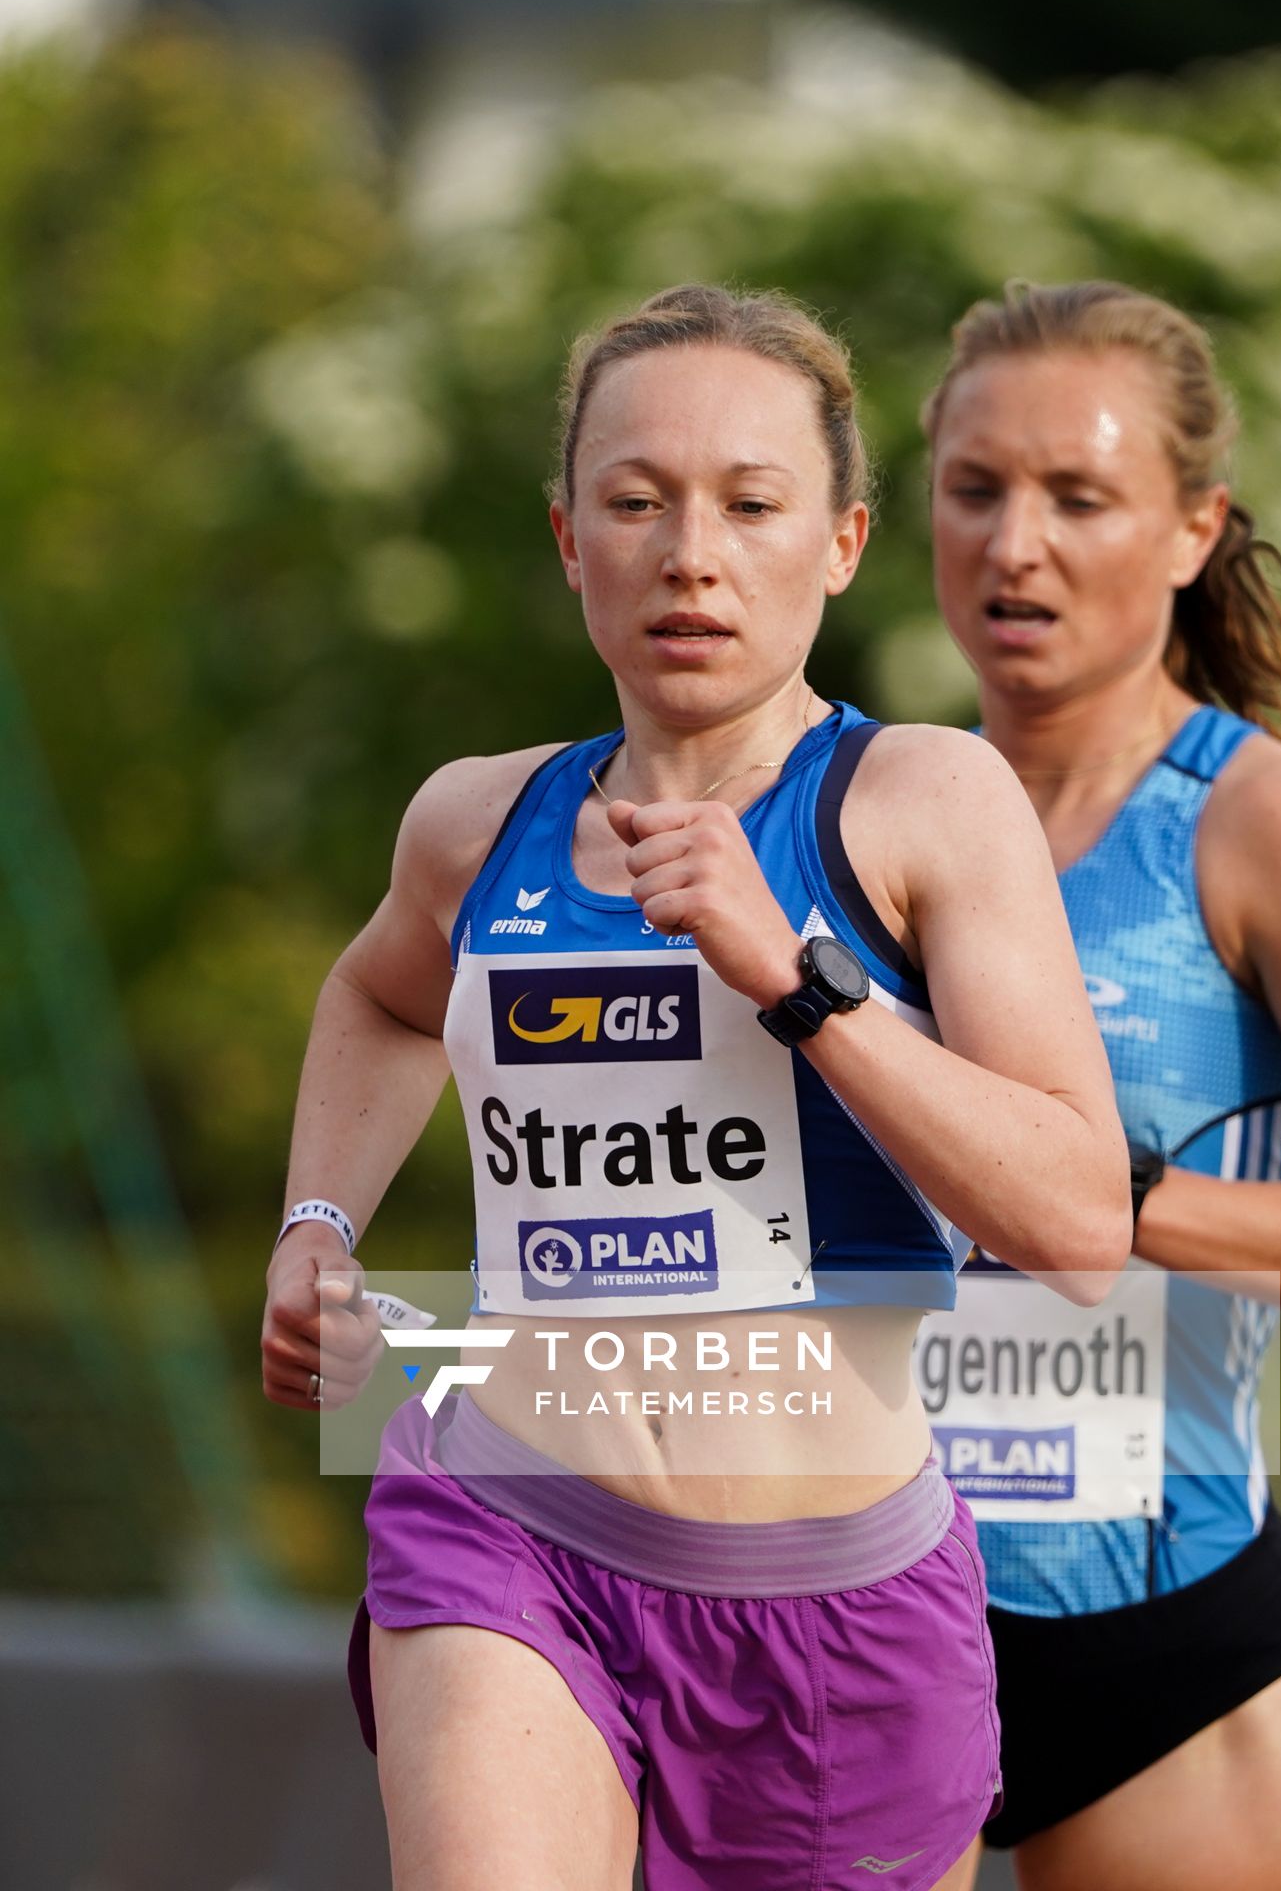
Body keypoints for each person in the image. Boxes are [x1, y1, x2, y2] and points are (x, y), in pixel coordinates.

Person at [258, 283, 1130, 1891]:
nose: (691, 554)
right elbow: (380, 998)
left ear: (847, 541)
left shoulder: (926, 802)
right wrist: (318, 1223)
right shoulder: (475, 822)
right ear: (568, 539)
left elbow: (1078, 1229)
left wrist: (796, 979)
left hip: (841, 1604)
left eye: (750, 504)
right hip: (512, 1525)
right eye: (636, 503)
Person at [917, 280, 1281, 1891]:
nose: (1014, 544)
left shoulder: (1264, 828)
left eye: (1077, 497)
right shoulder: (856, 807)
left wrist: (1102, 1196)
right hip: (861, 1616)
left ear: (1192, 528)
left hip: (1160, 1642)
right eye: (975, 490)